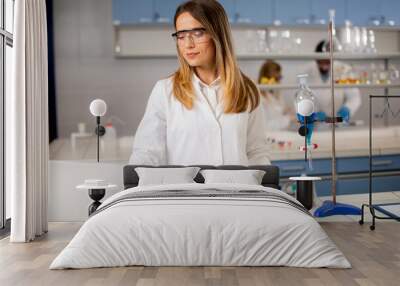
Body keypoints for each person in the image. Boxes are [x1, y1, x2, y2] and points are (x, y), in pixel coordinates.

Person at [129, 0, 270, 166]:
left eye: (197, 33)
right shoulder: (165, 91)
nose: (188, 44)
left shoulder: (247, 90)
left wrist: (262, 189)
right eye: (181, 35)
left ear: (218, 34)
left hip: (236, 191)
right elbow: (147, 154)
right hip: (186, 192)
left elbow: (256, 153)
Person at [306, 40, 361, 122]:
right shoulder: (307, 71)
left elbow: (354, 97)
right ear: (316, 59)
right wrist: (313, 113)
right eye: (321, 62)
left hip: (338, 121)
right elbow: (301, 99)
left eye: (327, 62)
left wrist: (348, 109)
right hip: (316, 124)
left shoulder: (343, 69)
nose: (324, 67)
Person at [258, 60, 295, 131]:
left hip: (281, 134)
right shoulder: (260, 98)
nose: (279, 81)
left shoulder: (275, 92)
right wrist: (289, 119)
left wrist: (286, 110)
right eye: (278, 78)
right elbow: (266, 126)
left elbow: (278, 110)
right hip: (271, 136)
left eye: (280, 77)